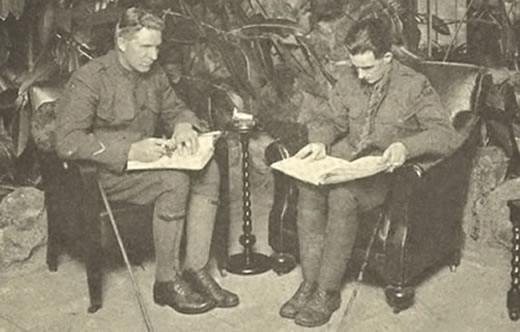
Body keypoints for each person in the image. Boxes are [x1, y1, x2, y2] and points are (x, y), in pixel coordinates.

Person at [279, 17, 462, 327]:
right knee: (308, 188)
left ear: (387, 58)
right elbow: (330, 120)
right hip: (342, 161)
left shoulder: (413, 85)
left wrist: (405, 146)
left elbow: (445, 135)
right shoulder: (348, 78)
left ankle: (327, 292)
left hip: (380, 172)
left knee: (342, 196)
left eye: (368, 68)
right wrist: (320, 144)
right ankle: (309, 284)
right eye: (356, 67)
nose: (360, 76)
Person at [55, 7, 239, 315]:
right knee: (174, 181)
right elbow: (67, 141)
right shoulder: (91, 78)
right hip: (108, 174)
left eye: (157, 46)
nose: (153, 56)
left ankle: (196, 268)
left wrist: (182, 123)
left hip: (149, 165)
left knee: (210, 171)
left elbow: (174, 108)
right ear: (122, 41)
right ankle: (166, 282)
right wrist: (129, 151)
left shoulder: (155, 75)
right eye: (145, 47)